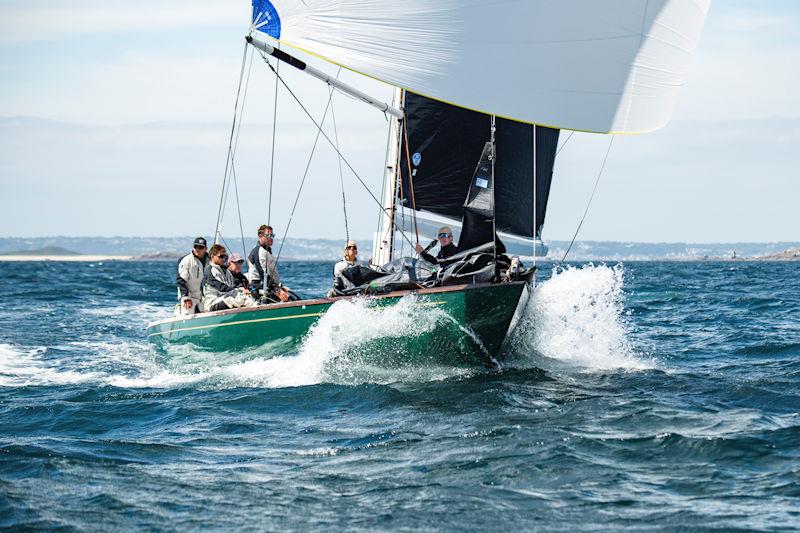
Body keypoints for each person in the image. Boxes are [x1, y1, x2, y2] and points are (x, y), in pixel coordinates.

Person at [203, 245, 256, 312]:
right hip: (212, 303)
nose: (223, 259)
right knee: (240, 298)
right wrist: (239, 290)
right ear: (212, 256)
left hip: (223, 298)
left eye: (225, 257)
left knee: (245, 296)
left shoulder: (226, 271)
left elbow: (231, 287)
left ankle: (258, 308)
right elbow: (221, 288)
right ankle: (259, 311)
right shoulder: (209, 271)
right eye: (221, 256)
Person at [247, 224, 289, 302]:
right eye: (268, 235)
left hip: (270, 286)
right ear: (260, 236)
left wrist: (280, 287)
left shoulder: (266, 251)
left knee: (290, 297)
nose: (271, 238)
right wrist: (277, 291)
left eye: (272, 235)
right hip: (260, 287)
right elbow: (263, 274)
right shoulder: (258, 251)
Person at [176, 236, 208, 315]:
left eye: (200, 247)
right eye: (195, 246)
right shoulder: (185, 260)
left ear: (206, 248)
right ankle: (178, 310)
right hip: (189, 296)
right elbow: (181, 281)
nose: (197, 249)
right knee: (187, 314)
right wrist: (186, 297)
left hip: (204, 297)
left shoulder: (210, 260)